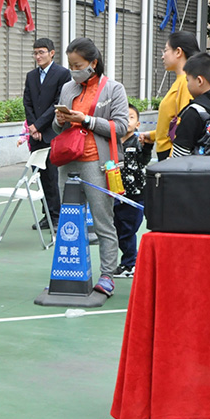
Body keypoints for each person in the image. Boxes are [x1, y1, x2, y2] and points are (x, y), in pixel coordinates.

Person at [53, 37, 129, 298]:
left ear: (93, 63)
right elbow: (58, 128)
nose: (74, 70)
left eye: (78, 65)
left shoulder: (114, 89)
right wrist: (60, 119)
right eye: (71, 65)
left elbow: (120, 128)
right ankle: (69, 271)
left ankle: (107, 275)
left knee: (103, 221)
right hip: (68, 162)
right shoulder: (67, 88)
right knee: (69, 220)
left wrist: (86, 119)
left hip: (97, 163)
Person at [22, 37, 72, 229]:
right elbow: (27, 102)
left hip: (52, 133)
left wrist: (40, 126)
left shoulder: (62, 74)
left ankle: (56, 215)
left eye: (41, 52)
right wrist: (32, 127)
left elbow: (57, 103)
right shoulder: (31, 76)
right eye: (35, 53)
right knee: (40, 177)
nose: (38, 56)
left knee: (52, 176)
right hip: (36, 135)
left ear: (52, 53)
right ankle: (46, 215)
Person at [141, 32, 199, 160]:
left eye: (166, 50)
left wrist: (173, 158)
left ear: (178, 52)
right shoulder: (180, 81)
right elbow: (171, 124)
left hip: (171, 155)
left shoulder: (185, 82)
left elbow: (184, 126)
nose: (162, 56)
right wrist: (152, 135)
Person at [112, 105, 150, 278]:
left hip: (135, 195)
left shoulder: (138, 142)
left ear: (138, 124)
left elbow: (144, 160)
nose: (127, 121)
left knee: (128, 229)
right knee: (118, 229)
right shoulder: (112, 143)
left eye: (131, 117)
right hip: (116, 193)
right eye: (123, 117)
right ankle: (129, 262)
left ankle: (130, 263)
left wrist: (148, 145)